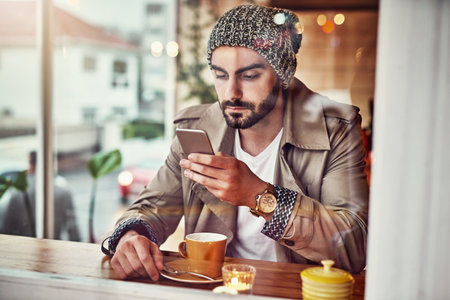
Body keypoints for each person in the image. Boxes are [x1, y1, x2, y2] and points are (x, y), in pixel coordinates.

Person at [102, 4, 369, 280]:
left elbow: (355, 246)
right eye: (220, 75)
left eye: (250, 76)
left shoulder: (336, 130)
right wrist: (133, 235)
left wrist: (260, 196)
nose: (231, 92)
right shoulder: (197, 129)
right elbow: (152, 208)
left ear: (282, 75)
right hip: (212, 288)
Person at [1, 151, 80, 241]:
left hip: (23, 247)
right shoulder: (63, 190)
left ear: (30, 164)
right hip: (54, 247)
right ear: (50, 164)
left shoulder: (16, 192)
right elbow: (73, 229)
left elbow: (7, 227)